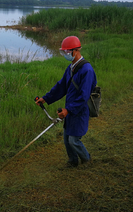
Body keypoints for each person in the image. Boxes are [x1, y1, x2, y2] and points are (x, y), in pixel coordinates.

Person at [35, 36, 97, 167]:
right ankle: (73, 161)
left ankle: (87, 160)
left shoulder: (87, 70)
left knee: (74, 140)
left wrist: (68, 110)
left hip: (79, 110)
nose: (65, 55)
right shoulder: (71, 68)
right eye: (63, 52)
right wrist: (46, 98)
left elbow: (84, 96)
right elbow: (61, 86)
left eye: (67, 52)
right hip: (70, 109)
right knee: (66, 139)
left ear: (75, 51)